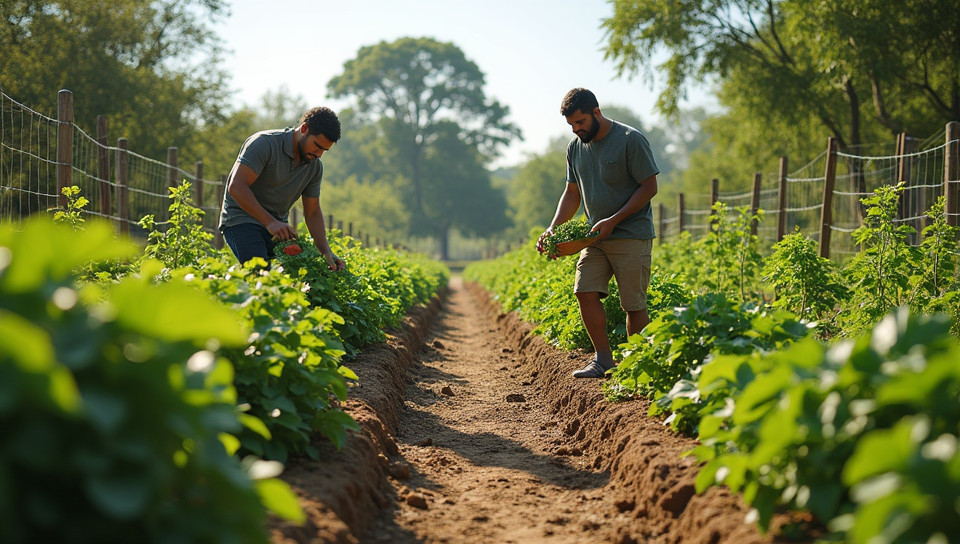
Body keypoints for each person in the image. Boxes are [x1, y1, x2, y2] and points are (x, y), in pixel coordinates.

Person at [537, 88, 659, 379]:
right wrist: (554, 228)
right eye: (571, 125)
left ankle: (639, 367)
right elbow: (571, 194)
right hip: (594, 238)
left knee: (633, 305)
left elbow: (649, 187)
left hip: (631, 234)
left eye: (580, 122)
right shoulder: (575, 148)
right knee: (584, 291)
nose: (577, 129)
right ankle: (603, 359)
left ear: (596, 112)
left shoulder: (630, 140)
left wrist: (615, 220)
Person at [218, 106, 346, 271]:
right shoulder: (264, 144)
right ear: (305, 129)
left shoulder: (314, 167)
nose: (319, 154)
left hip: (277, 229)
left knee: (299, 277)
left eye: (324, 150)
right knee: (260, 275)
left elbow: (313, 212)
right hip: (242, 220)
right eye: (317, 146)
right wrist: (270, 222)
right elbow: (236, 186)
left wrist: (325, 251)